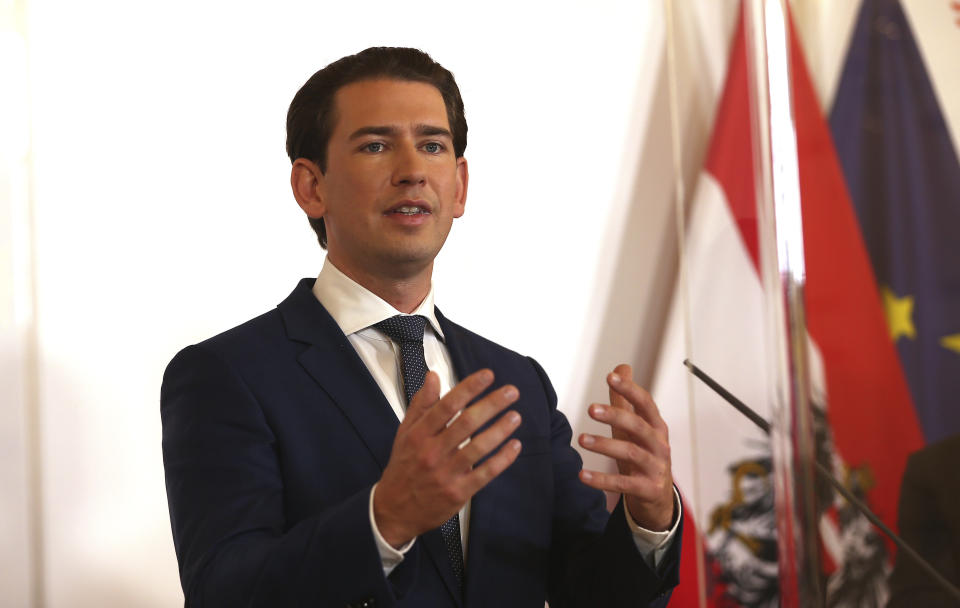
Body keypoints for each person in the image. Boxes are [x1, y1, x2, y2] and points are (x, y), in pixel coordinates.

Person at [161, 46, 683, 607]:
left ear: (458, 185)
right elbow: (225, 591)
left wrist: (648, 522)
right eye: (376, 145)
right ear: (311, 187)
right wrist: (386, 519)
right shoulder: (226, 375)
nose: (412, 170)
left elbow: (590, 593)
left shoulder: (516, 382)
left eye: (432, 145)